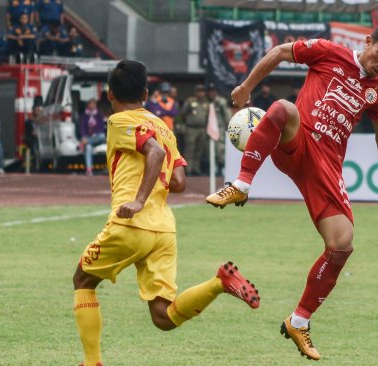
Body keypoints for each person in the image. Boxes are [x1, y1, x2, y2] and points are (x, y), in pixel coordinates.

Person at [206, 20, 378, 360]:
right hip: (298, 141)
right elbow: (280, 52)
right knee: (284, 109)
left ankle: (298, 321)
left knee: (342, 245)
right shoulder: (330, 52)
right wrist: (245, 88)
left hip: (326, 166)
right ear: (369, 40)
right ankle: (241, 185)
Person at [72, 60, 260, 366]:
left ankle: (92, 362)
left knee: (82, 281)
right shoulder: (163, 127)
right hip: (164, 230)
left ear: (109, 94)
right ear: (146, 93)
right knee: (163, 316)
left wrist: (138, 199)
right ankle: (219, 282)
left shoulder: (119, 121)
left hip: (131, 223)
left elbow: (154, 154)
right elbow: (179, 181)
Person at [180, 84, 210, 175]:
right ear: (196, 92)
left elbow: (208, 116)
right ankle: (188, 169)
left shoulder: (206, 103)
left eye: (202, 91)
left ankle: (196, 169)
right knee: (189, 149)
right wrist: (189, 121)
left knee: (199, 150)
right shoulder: (190, 101)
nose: (200, 93)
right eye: (199, 91)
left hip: (202, 129)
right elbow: (183, 114)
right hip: (191, 128)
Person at [206, 83, 231, 176]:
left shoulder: (221, 101)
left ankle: (222, 167)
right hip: (207, 129)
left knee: (220, 149)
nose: (211, 93)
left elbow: (227, 115)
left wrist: (228, 128)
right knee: (210, 149)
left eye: (213, 91)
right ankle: (214, 168)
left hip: (219, 128)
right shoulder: (206, 101)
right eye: (210, 91)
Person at [79, 98, 106, 176]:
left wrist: (94, 134)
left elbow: (101, 129)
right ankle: (89, 169)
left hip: (97, 137)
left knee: (102, 136)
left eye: (94, 104)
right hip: (87, 137)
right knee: (88, 147)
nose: (92, 105)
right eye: (91, 104)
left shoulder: (99, 116)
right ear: (88, 105)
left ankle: (83, 143)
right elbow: (82, 128)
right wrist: (84, 137)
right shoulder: (84, 116)